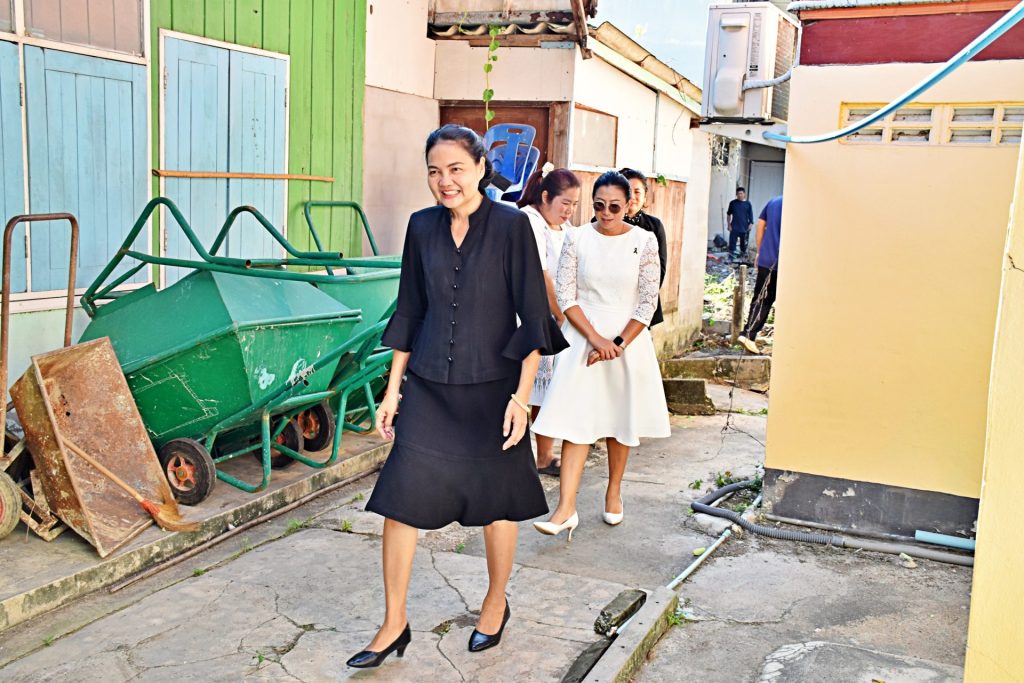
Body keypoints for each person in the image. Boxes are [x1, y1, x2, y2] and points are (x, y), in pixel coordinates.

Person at [347, 125, 568, 668]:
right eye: (434, 171)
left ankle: (495, 602)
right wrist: (392, 392)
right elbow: (409, 311)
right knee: (400, 500)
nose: (444, 181)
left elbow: (532, 318)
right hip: (428, 386)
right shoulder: (421, 227)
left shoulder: (512, 227)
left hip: (494, 390)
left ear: (480, 169)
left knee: (497, 502)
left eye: (455, 169)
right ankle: (393, 623)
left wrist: (521, 399)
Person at [531, 171, 671, 540]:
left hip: (628, 341)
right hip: (583, 338)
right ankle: (565, 508)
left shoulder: (644, 241)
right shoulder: (577, 238)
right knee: (576, 421)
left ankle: (613, 492)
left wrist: (617, 344)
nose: (606, 213)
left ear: (629, 205)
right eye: (599, 206)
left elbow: (647, 302)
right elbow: (566, 296)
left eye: (614, 207)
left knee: (619, 421)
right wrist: (595, 340)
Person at [516, 164, 582, 476]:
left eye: (574, 204)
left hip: (558, 316)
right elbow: (541, 276)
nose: (569, 210)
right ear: (545, 197)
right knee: (530, 386)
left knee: (548, 387)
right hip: (532, 315)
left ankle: (544, 455)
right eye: (565, 203)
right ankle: (529, 455)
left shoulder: (566, 229)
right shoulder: (529, 221)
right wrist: (562, 316)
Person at [618, 168, 668, 327]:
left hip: (643, 305)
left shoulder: (654, 226)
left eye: (637, 192)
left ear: (645, 195)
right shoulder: (603, 222)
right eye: (627, 191)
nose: (632, 197)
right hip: (611, 303)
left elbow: (660, 269)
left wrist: (645, 299)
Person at [738, 195, 783, 355]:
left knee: (761, 297)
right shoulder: (797, 204)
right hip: (779, 261)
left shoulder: (773, 202)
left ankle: (748, 334)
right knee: (766, 299)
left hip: (767, 258)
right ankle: (748, 334)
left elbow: (760, 225)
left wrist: (759, 251)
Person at [727, 187, 754, 259]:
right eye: (738, 194)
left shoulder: (748, 204)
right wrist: (729, 225)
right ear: (736, 194)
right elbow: (728, 214)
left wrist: (751, 224)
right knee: (732, 246)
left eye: (741, 193)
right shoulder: (732, 203)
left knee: (743, 246)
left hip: (744, 228)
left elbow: (751, 215)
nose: (739, 195)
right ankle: (731, 260)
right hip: (734, 227)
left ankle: (742, 260)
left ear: (744, 194)